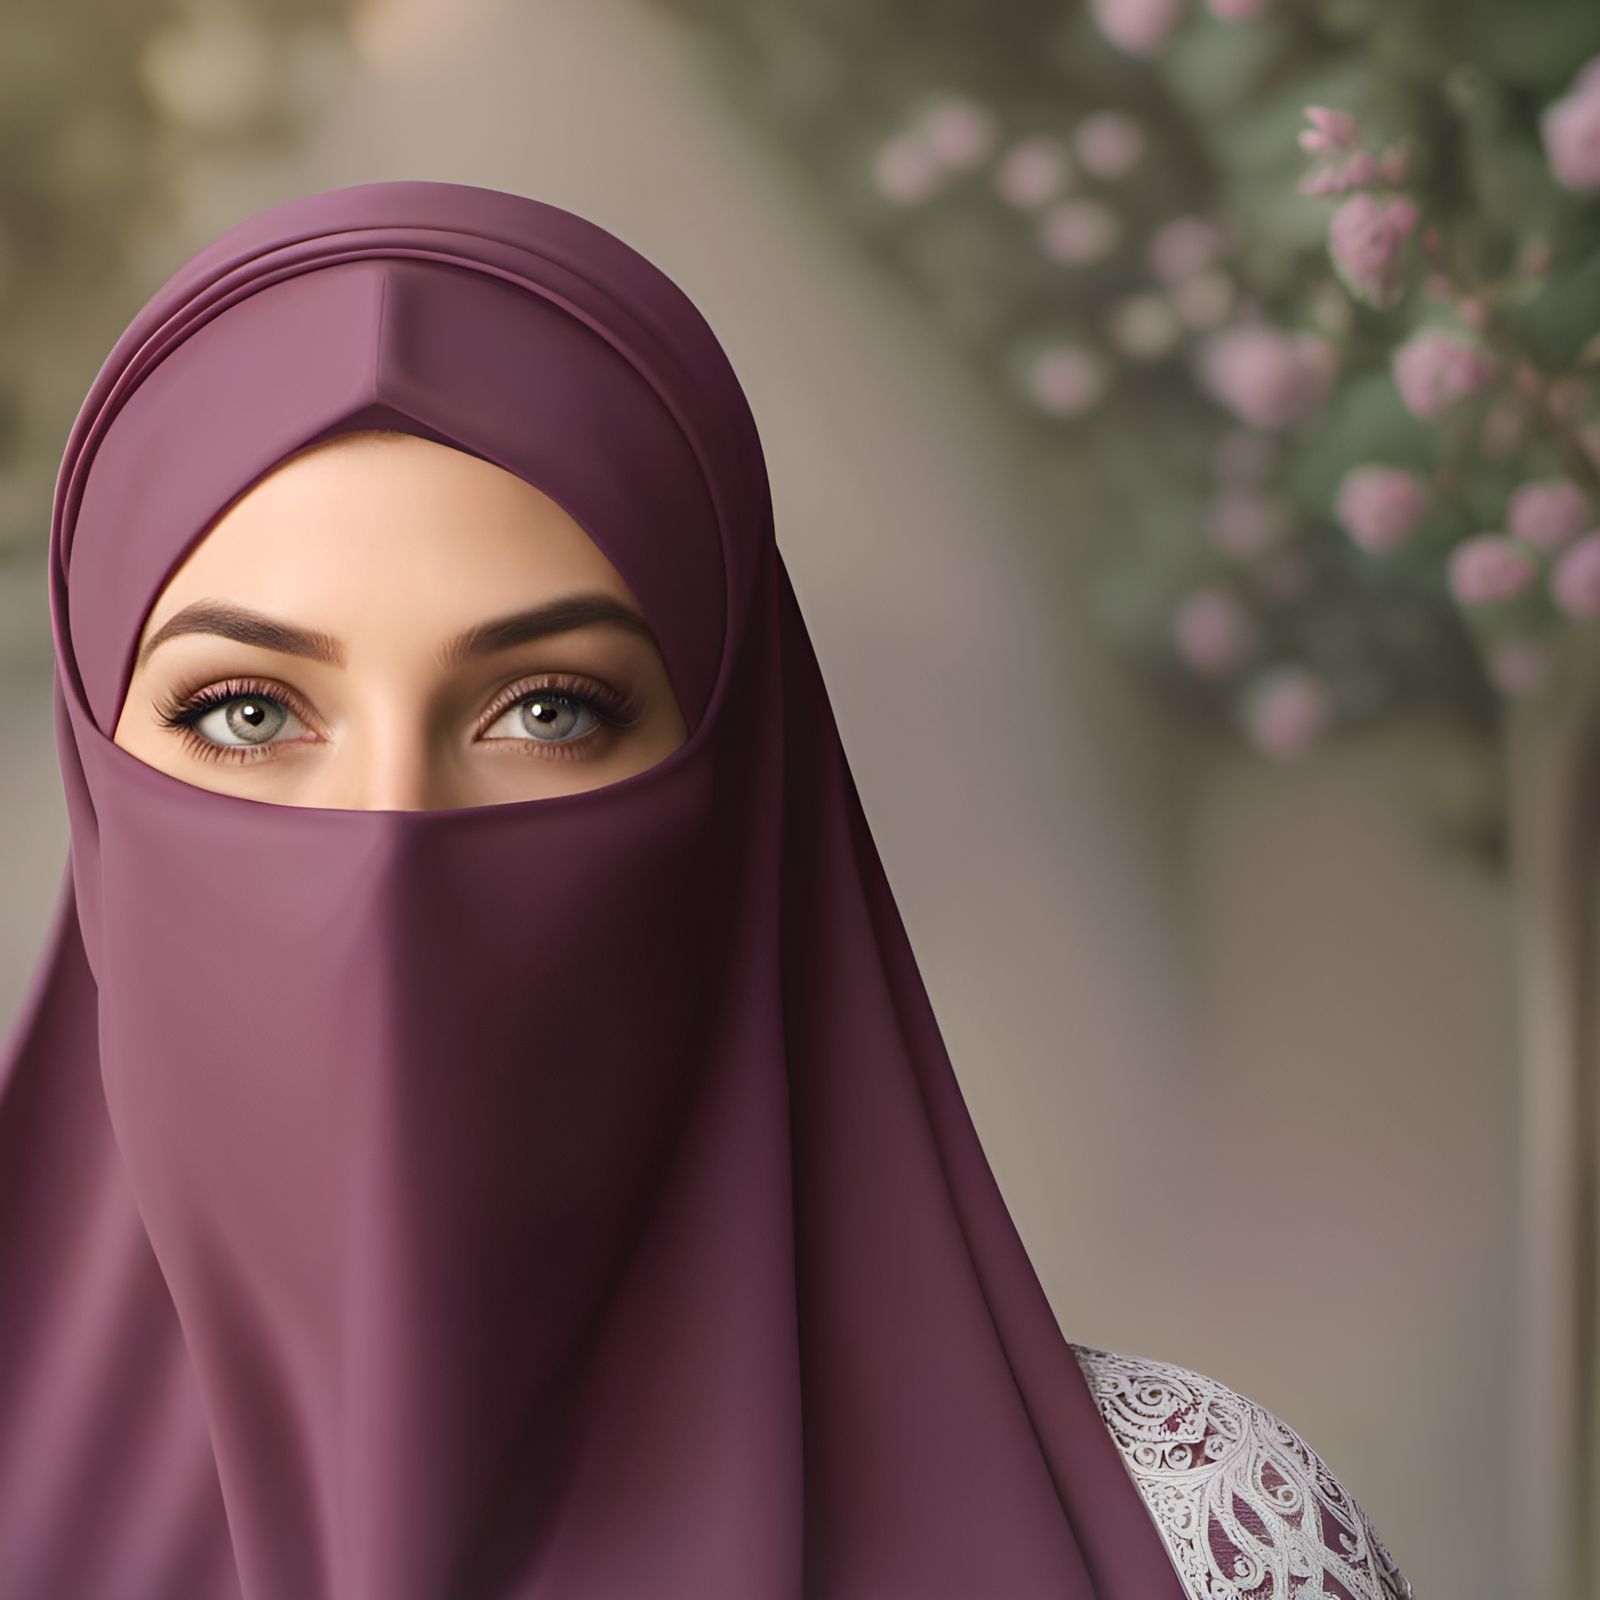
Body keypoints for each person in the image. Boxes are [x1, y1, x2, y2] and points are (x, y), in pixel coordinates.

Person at [0, 180, 1413, 1599]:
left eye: (547, 709)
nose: (392, 852)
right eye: (248, 713)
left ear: (744, 786)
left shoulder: (1208, 1549)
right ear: (101, 798)